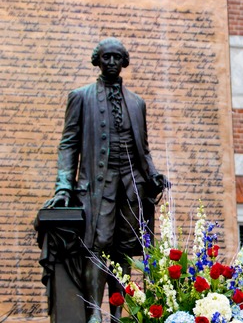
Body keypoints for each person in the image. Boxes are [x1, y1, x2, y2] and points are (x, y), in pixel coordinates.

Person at [44, 37, 169, 323]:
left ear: (123, 62)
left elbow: (143, 150)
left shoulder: (137, 103)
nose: (111, 62)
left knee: (125, 250)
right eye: (106, 57)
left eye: (116, 57)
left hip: (131, 184)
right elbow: (68, 144)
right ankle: (93, 313)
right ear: (97, 61)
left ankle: (116, 313)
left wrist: (153, 174)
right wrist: (64, 185)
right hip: (97, 186)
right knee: (98, 246)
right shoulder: (81, 96)